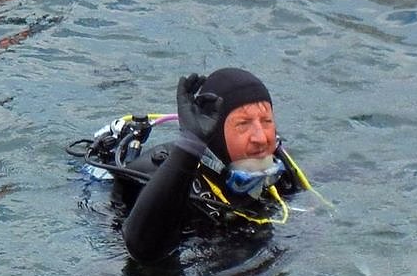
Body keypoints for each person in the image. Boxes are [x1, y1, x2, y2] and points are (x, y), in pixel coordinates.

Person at [75, 67, 321, 264]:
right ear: (214, 134)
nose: (261, 137)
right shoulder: (166, 180)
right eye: (243, 124)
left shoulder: (278, 173)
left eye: (266, 121)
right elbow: (143, 252)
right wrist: (190, 146)